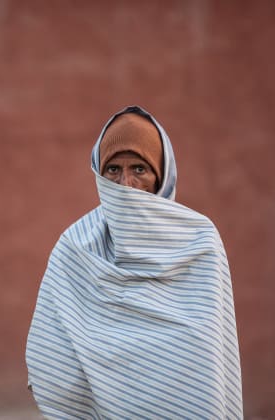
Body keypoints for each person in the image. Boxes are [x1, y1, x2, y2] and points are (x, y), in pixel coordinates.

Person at [25, 105, 243, 419]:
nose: (125, 184)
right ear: (99, 173)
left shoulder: (200, 240)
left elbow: (209, 358)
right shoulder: (75, 245)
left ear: (162, 175)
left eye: (139, 169)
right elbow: (52, 346)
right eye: (113, 169)